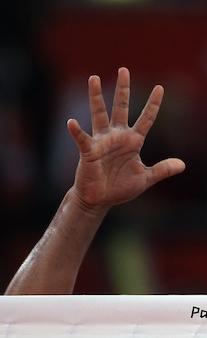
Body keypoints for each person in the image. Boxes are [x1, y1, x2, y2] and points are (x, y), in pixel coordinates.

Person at [4, 68, 185, 294]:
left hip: (121, 232)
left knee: (124, 237)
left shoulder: (156, 148)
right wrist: (84, 204)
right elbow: (21, 321)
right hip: (72, 216)